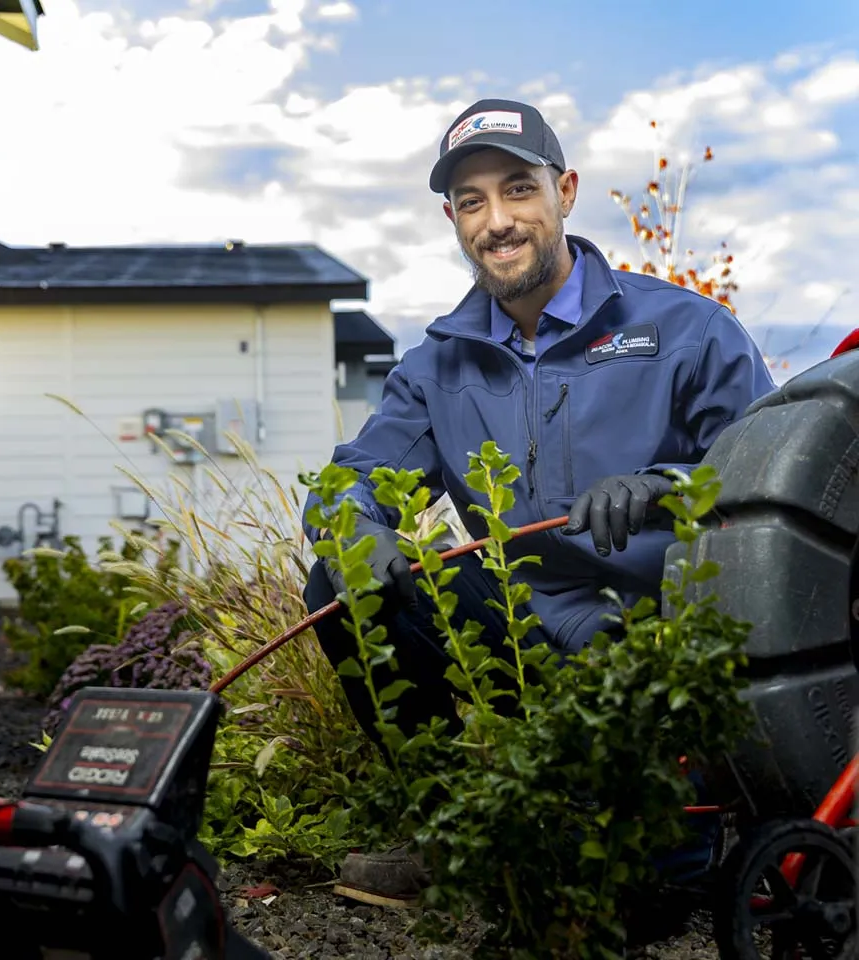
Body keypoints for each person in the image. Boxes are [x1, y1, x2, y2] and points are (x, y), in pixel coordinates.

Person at [301, 98, 777, 907]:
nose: (498, 221)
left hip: (659, 653)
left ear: (566, 192)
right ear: (453, 219)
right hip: (517, 637)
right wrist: (357, 530)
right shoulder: (437, 366)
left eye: (519, 189)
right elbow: (351, 478)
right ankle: (453, 833)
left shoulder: (689, 330)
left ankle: (666, 814)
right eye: (472, 202)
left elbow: (770, 486)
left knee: (648, 895)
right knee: (337, 581)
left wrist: (665, 490)